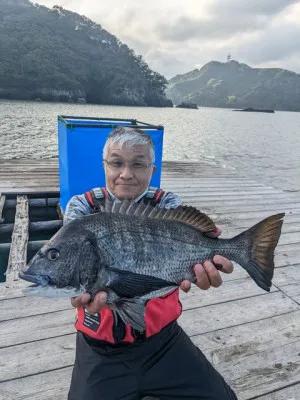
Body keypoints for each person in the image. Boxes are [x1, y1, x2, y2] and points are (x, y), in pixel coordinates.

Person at [64, 126, 237, 400]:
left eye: (138, 164)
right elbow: (72, 264)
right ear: (104, 166)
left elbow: (193, 240)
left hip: (163, 341)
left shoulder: (166, 204)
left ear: (152, 170)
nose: (126, 174)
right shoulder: (83, 209)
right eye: (117, 163)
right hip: (99, 348)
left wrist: (211, 260)